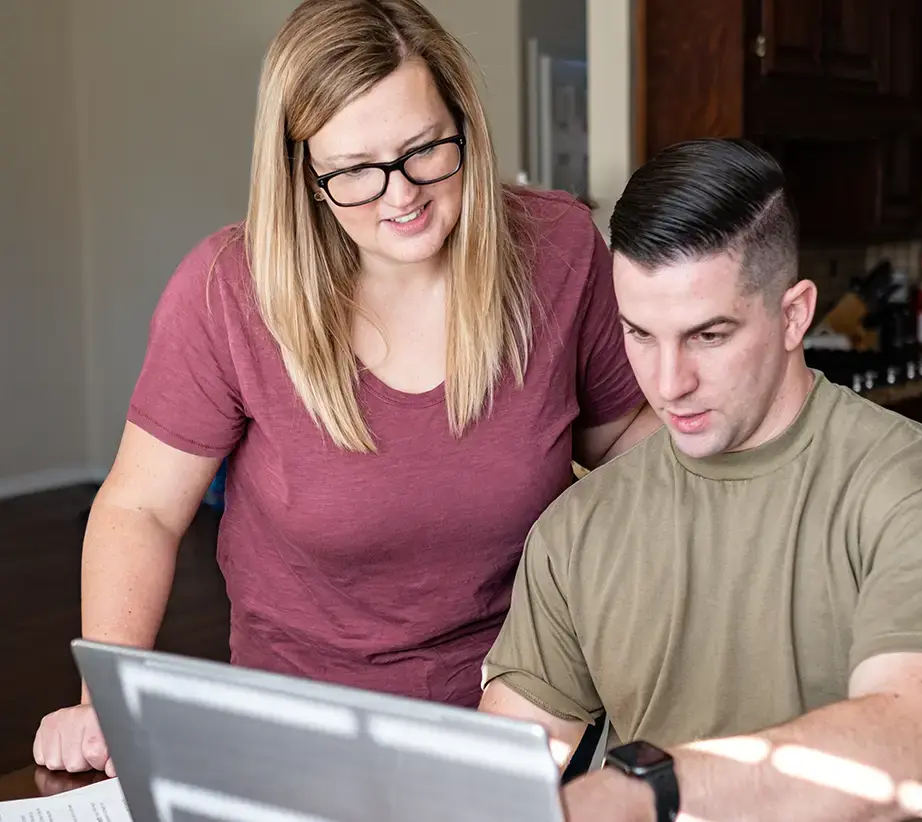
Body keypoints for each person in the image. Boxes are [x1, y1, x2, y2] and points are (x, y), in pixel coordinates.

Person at [33, 0, 658, 776]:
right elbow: (141, 509)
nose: (401, 194)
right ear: (306, 176)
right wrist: (104, 702)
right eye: (357, 170)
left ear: (464, 121)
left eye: (426, 148)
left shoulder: (557, 250)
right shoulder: (229, 293)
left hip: (527, 724)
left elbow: (627, 444)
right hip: (303, 734)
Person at [479, 138, 922, 822]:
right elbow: (503, 772)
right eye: (640, 334)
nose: (668, 383)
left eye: (709, 336)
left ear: (794, 314)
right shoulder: (577, 527)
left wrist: (648, 790)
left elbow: (915, 757)